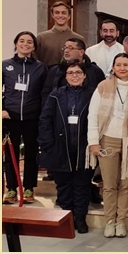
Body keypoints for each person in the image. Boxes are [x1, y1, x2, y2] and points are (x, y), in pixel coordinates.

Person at [87, 53, 128, 238]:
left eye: (125, 64)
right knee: (110, 184)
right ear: (113, 67)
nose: (122, 68)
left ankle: (121, 221)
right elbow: (93, 114)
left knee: (125, 183)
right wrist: (94, 141)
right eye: (118, 65)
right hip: (108, 138)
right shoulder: (103, 86)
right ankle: (110, 221)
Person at [38, 60, 96, 233]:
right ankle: (67, 217)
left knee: (82, 184)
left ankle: (80, 218)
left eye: (78, 72)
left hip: (83, 148)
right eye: (71, 73)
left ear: (84, 75)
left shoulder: (93, 94)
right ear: (65, 76)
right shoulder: (56, 95)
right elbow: (45, 120)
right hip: (60, 147)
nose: (75, 76)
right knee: (63, 185)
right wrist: (47, 143)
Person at [2, 31, 47, 204]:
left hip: (32, 116)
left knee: (31, 154)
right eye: (22, 41)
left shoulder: (40, 67)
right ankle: (11, 189)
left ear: (34, 47)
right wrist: (1, 109)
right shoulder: (5, 65)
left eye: (30, 42)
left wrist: (41, 112)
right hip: (9, 116)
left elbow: (44, 92)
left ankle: (28, 188)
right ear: (15, 44)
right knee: (10, 154)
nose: (25, 44)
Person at [36, 1, 84, 67]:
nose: (60, 15)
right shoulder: (41, 38)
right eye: (57, 13)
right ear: (52, 15)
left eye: (64, 13)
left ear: (69, 16)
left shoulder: (79, 39)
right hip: (47, 76)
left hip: (71, 75)